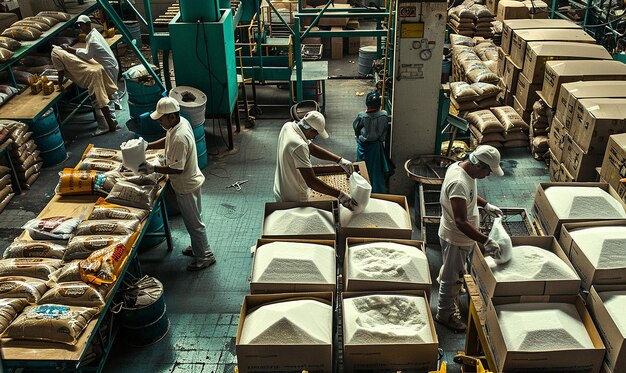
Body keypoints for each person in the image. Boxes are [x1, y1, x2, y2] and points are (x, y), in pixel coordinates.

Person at [138, 97, 216, 271]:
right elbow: (168, 140)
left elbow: (177, 169)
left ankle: (205, 256)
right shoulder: (179, 124)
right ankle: (198, 248)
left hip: (186, 185)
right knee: (193, 220)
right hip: (190, 180)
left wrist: (153, 168)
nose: (159, 121)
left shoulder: (180, 137)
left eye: (161, 118)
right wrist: (148, 146)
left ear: (172, 116)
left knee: (194, 223)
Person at [436, 145, 504, 331]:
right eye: (488, 171)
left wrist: (486, 204)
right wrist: (486, 241)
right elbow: (461, 222)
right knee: (452, 278)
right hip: (456, 238)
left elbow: (469, 196)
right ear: (479, 165)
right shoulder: (459, 182)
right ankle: (445, 314)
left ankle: (450, 284)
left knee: (452, 269)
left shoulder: (461, 168)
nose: (488, 175)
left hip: (459, 237)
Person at [274, 110, 358, 210]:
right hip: (293, 197)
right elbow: (311, 181)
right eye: (316, 134)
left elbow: (312, 148)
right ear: (310, 129)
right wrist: (341, 196)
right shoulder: (299, 145)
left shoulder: (288, 126)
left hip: (281, 187)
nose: (315, 137)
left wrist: (339, 160)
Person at [61, 15, 120, 136]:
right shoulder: (94, 34)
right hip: (111, 65)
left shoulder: (92, 40)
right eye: (79, 26)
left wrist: (70, 49)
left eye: (82, 25)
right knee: (109, 92)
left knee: (105, 96)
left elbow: (88, 55)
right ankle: (112, 118)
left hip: (108, 67)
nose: (80, 28)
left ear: (88, 24)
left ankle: (111, 123)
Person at [353, 91, 391, 193]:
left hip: (364, 147)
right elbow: (385, 131)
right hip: (377, 147)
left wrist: (358, 137)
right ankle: (379, 192)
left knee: (362, 168)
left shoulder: (362, 116)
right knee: (377, 171)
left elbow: (356, 128)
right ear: (380, 105)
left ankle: (362, 191)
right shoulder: (384, 115)